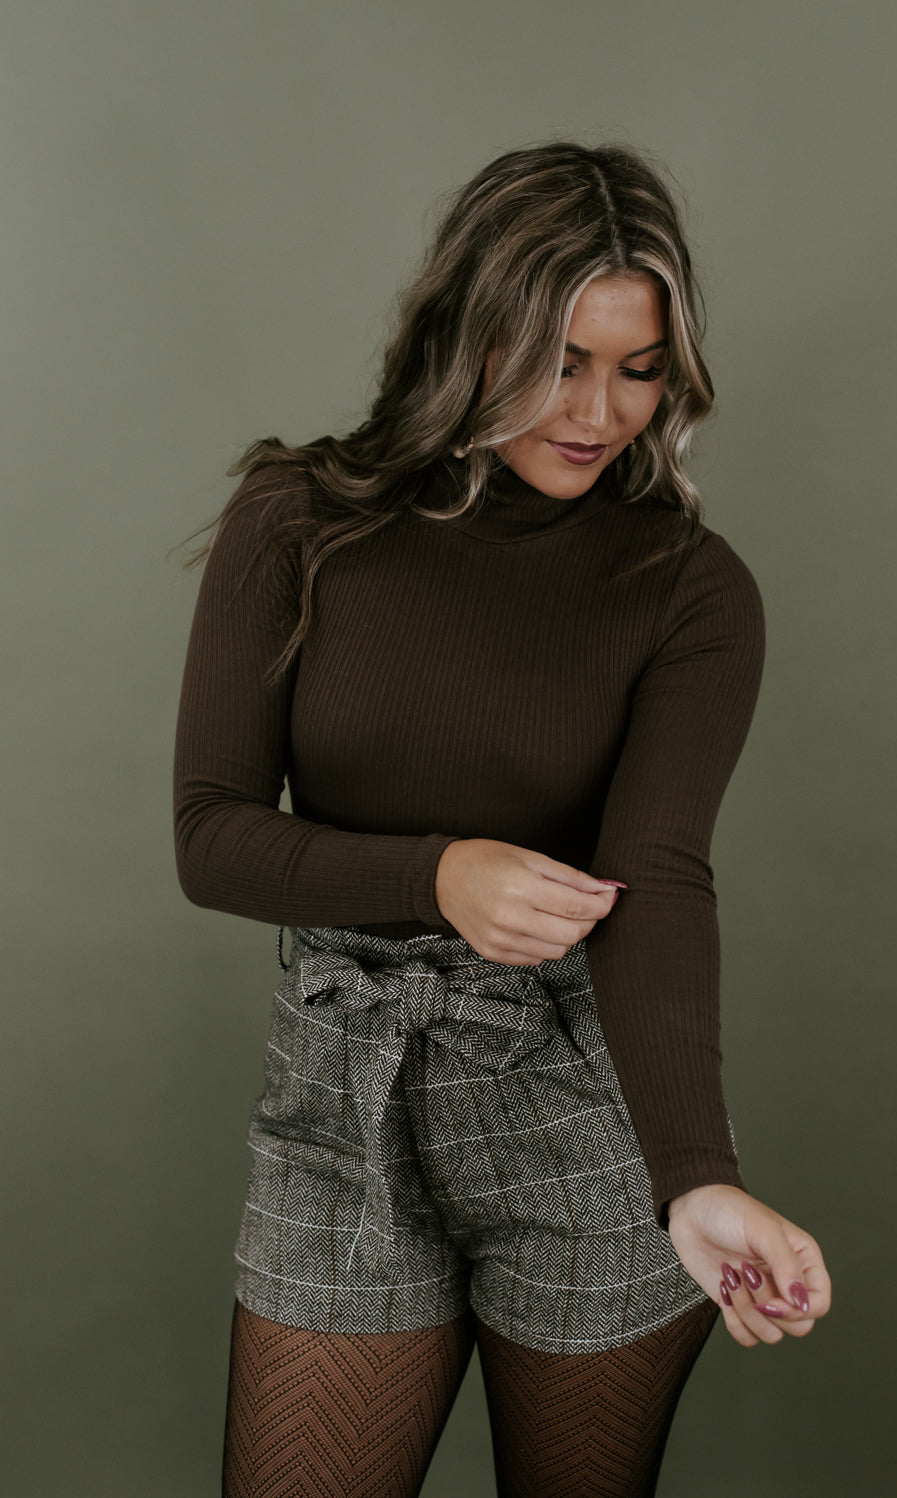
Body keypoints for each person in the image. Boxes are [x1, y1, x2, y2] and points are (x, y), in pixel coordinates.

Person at [174, 141, 831, 1498]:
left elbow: (660, 878)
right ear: (467, 334)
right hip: (339, 1095)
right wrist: (438, 874)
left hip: (577, 1098)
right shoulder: (297, 520)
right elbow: (211, 835)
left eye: (638, 369)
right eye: (559, 362)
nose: (598, 411)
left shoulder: (688, 588)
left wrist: (696, 1175)